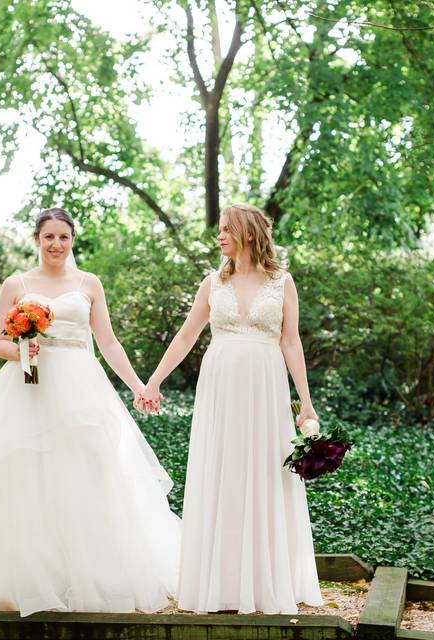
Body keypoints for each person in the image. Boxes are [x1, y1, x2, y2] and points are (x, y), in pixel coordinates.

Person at [0, 207, 180, 616]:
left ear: (72, 240)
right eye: (48, 237)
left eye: (63, 237)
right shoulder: (16, 284)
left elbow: (109, 342)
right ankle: (25, 579)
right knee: (25, 478)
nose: (56, 244)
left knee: (85, 474)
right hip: (28, 388)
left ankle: (88, 578)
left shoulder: (89, 283)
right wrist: (22, 349)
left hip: (82, 390)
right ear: (36, 240)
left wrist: (139, 386)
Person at [139, 203, 323, 614]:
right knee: (223, 469)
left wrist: (306, 403)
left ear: (249, 233)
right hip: (220, 387)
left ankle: (262, 582)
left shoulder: (282, 282)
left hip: (265, 387)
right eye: (219, 230)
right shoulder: (212, 282)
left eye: (226, 229)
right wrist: (153, 381)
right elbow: (186, 336)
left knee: (262, 471)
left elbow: (290, 342)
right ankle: (219, 582)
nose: (219, 236)